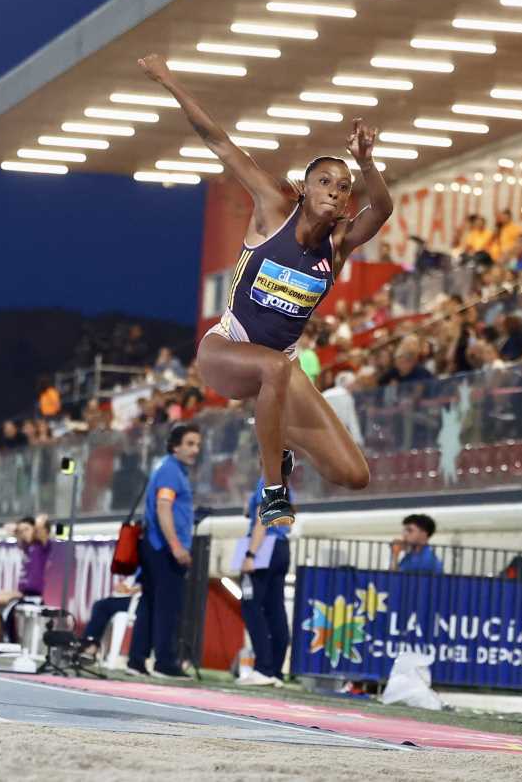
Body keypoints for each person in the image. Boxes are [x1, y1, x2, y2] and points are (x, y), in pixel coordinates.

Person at [138, 54, 389, 528]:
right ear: (305, 187)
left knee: (353, 474)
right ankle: (274, 490)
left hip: (280, 367)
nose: (335, 191)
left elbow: (382, 208)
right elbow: (218, 141)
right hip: (226, 350)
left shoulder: (338, 245)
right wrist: (169, 80)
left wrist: (368, 164)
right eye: (325, 181)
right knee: (274, 367)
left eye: (343, 186)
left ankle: (279, 438)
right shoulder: (274, 207)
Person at [127, 423, 202, 679]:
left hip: (154, 545)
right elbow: (163, 508)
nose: (195, 450)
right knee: (167, 606)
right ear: (175, 446)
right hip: (163, 548)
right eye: (190, 444)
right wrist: (176, 546)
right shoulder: (171, 471)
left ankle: (137, 659)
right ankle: (164, 662)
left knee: (149, 603)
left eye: (198, 445)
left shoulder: (170, 469)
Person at [237, 476, 291, 688]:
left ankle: (263, 668)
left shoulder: (268, 478)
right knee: (275, 608)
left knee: (251, 606)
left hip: (263, 547)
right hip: (281, 547)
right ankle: (276, 670)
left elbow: (262, 519)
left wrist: (250, 554)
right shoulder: (285, 482)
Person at [0, 514, 52, 640]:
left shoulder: (41, 546)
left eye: (27, 530)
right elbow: (9, 528)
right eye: (22, 531)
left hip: (32, 595)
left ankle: (0, 638)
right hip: (21, 592)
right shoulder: (27, 546)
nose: (24, 533)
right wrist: (18, 529)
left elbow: (41, 527)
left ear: (36, 530)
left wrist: (35, 523)